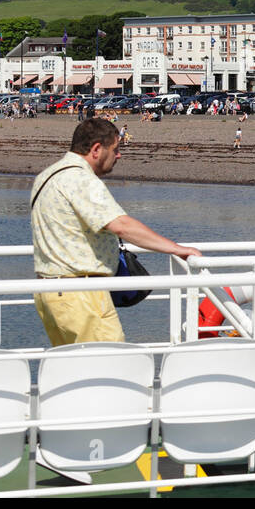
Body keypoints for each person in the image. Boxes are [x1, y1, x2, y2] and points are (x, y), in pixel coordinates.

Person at [31, 119, 201, 345]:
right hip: (81, 294)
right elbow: (121, 225)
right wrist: (178, 249)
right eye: (115, 149)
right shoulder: (80, 179)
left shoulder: (47, 175)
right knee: (110, 366)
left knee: (73, 368)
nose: (119, 156)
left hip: (49, 292)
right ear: (96, 150)